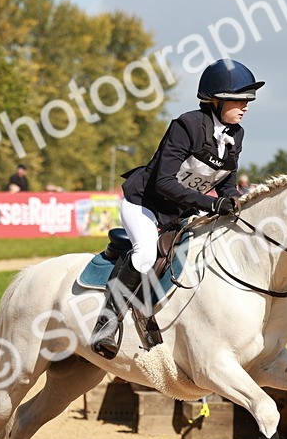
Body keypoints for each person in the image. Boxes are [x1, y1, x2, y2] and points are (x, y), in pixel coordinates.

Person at [91, 57, 261, 359]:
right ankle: (106, 323)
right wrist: (211, 204)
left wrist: (235, 202)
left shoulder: (237, 134)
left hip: (180, 213)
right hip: (145, 204)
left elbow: (226, 182)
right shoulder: (187, 125)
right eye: (239, 99)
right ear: (216, 100)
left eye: (248, 100)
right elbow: (164, 183)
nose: (246, 106)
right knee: (145, 253)